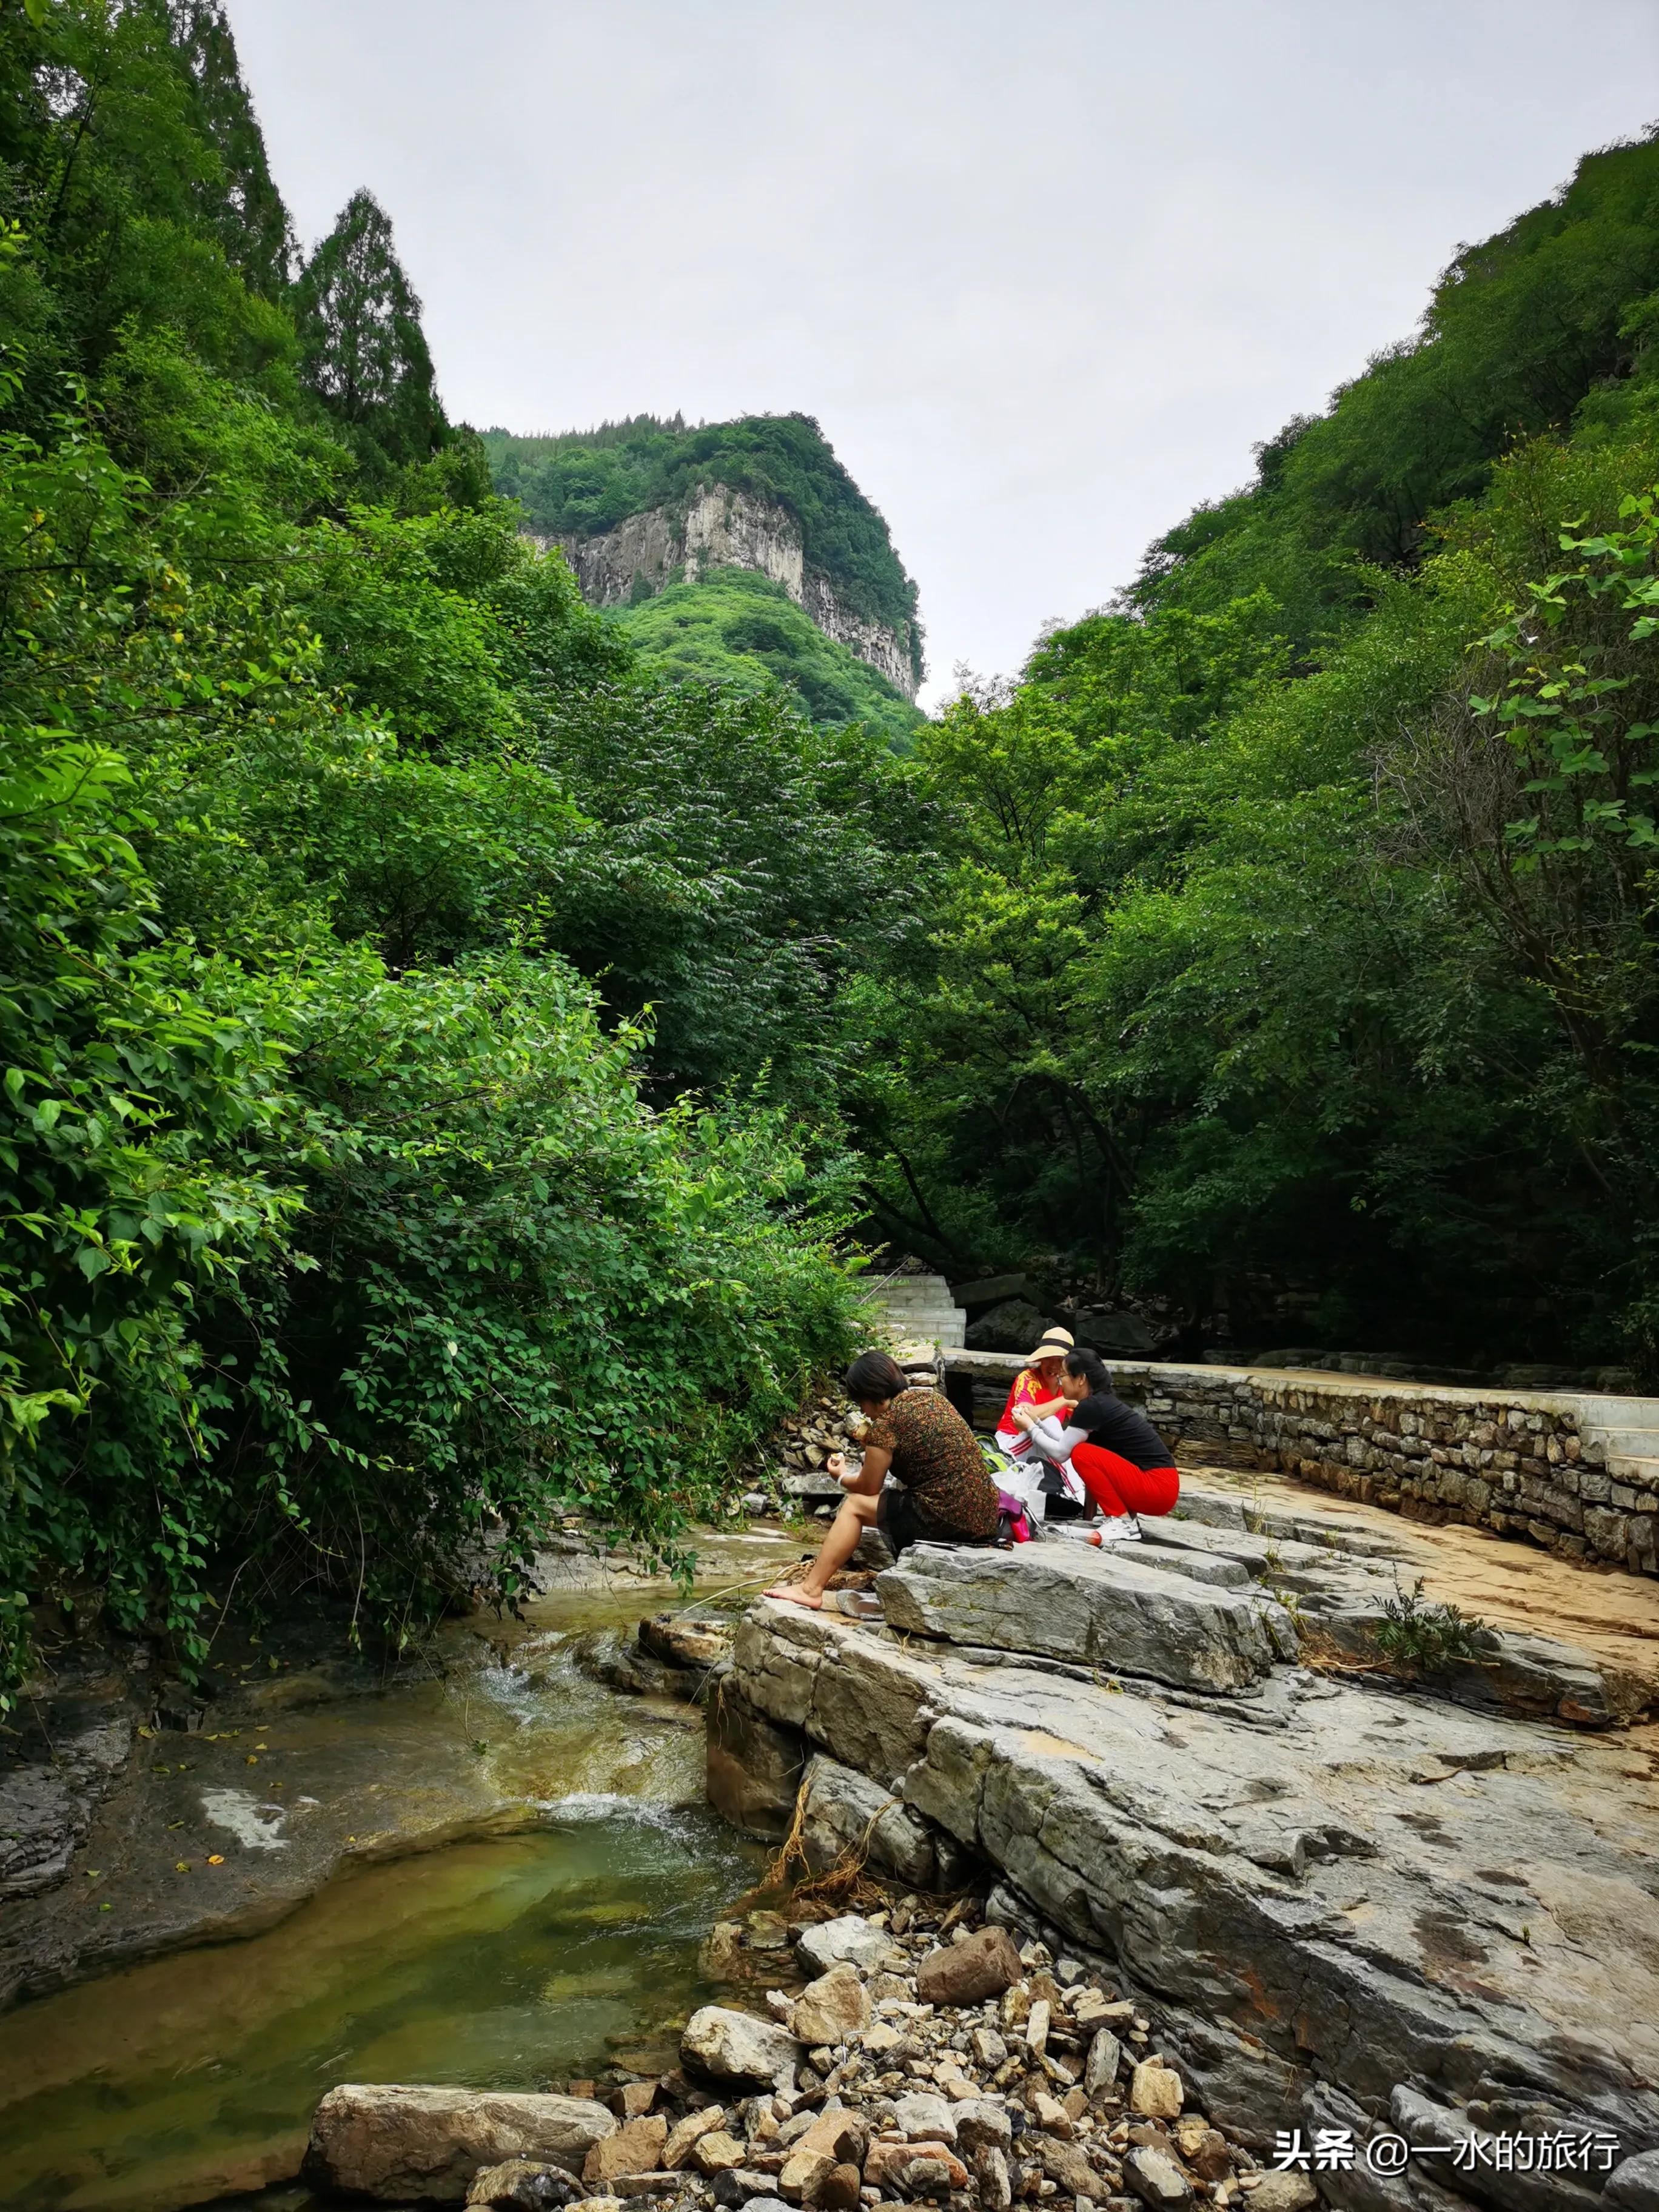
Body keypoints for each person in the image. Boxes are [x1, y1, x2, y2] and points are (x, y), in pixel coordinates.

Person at [765, 1350, 1002, 1609]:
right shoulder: (931, 1400)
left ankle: (811, 1589)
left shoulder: (887, 1426)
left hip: (948, 1515)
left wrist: (841, 1476)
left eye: (860, 1403)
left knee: (854, 1507)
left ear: (872, 1395)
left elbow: (868, 1487)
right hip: (985, 1514)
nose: (862, 1412)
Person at [1013, 1346, 1179, 1542]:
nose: (1060, 1380)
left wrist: (1031, 1428)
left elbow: (1060, 1454)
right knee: (1084, 1452)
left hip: (1159, 1487)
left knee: (1082, 1454)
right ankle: (1122, 1519)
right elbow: (1064, 1444)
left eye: (1064, 1375)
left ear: (1081, 1379)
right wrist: (1037, 1423)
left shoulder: (1091, 1406)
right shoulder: (1099, 1403)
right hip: (1162, 1486)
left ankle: (1123, 1522)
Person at [993, 1327, 1074, 1454]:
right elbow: (1023, 1415)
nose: (1053, 1365)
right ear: (1041, 1359)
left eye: (1059, 1360)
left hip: (1042, 1443)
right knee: (1052, 1423)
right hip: (1011, 1442)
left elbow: (1081, 1424)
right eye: (1048, 1358)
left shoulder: (1067, 1385)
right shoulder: (1028, 1378)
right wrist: (1064, 1400)